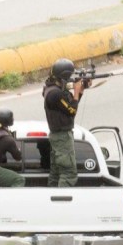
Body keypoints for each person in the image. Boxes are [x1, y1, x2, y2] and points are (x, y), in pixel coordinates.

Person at [42, 58, 90, 187]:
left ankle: (52, 199)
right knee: (69, 174)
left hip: (57, 137)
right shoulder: (55, 94)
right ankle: (61, 204)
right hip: (62, 138)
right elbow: (72, 110)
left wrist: (80, 92)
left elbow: (68, 106)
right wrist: (75, 91)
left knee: (56, 173)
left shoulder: (51, 88)